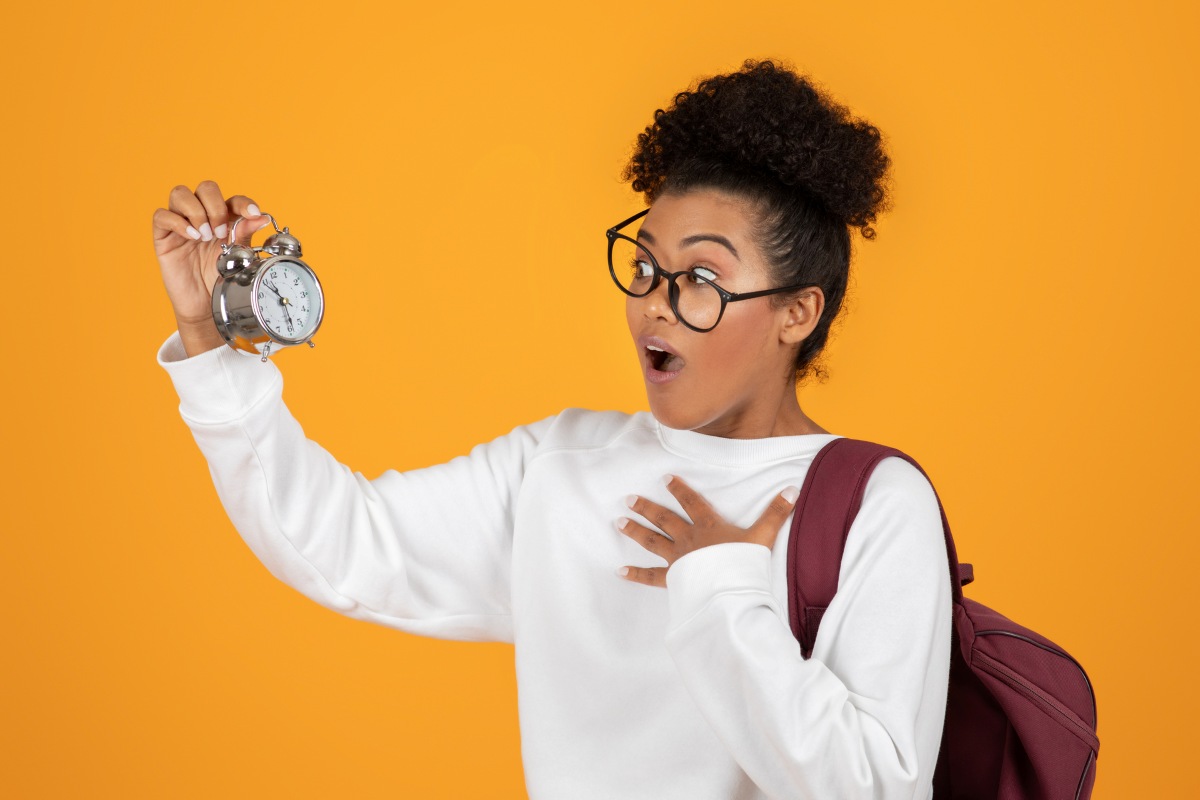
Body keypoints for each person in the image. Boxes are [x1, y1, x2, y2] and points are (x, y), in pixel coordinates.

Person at [153, 59, 952, 799]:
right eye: (643, 266)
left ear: (796, 312)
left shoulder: (872, 504)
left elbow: (877, 788)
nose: (653, 303)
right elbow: (340, 545)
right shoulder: (561, 466)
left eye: (702, 278)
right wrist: (207, 335)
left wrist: (721, 589)